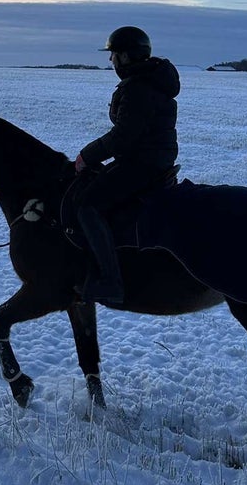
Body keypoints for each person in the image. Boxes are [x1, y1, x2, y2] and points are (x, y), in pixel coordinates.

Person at [74, 26, 181, 305]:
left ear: (125, 56)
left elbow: (123, 137)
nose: (111, 62)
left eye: (114, 56)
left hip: (142, 164)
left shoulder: (139, 87)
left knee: (87, 206)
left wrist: (87, 155)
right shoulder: (150, 80)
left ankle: (110, 281)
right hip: (152, 160)